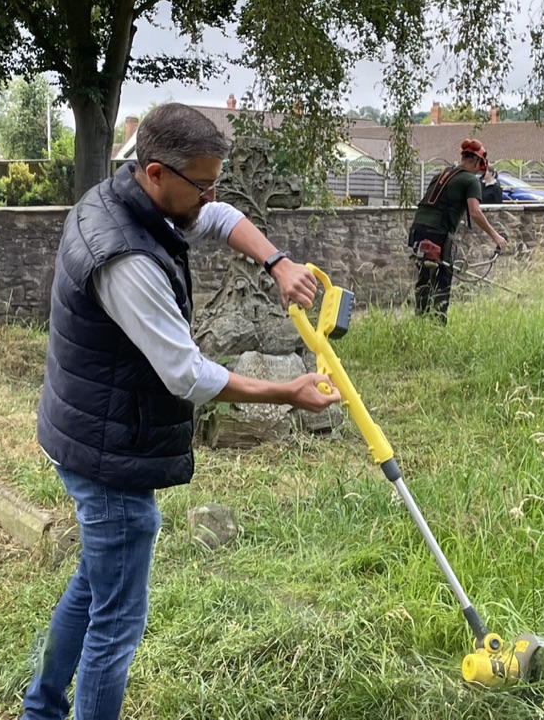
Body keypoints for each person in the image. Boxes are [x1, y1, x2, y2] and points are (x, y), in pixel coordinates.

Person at [21, 103, 341, 720]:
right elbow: (186, 375)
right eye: (202, 182)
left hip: (87, 424)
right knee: (116, 623)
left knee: (95, 583)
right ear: (157, 173)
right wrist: (288, 392)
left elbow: (216, 216)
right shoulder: (127, 258)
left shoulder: (129, 198)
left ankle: (41, 708)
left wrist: (277, 262)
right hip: (107, 452)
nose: (212, 194)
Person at [407, 138, 508, 323]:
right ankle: (437, 326)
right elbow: (475, 212)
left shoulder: (441, 174)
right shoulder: (470, 180)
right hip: (438, 232)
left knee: (424, 278)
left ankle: (419, 321)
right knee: (443, 280)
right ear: (477, 162)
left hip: (417, 230)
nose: (479, 171)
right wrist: (496, 237)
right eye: (480, 166)